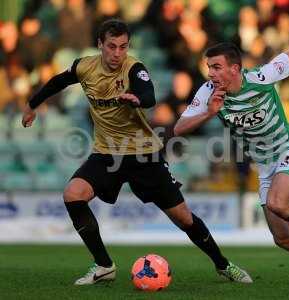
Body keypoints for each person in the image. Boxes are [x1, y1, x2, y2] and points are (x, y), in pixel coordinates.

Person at [21, 20, 252, 285]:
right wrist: (31, 105)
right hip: (107, 153)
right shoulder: (84, 66)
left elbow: (149, 94)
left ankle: (223, 265)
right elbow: (57, 82)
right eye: (111, 46)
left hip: (144, 155)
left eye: (123, 47)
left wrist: (137, 99)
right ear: (100, 45)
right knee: (73, 194)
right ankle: (104, 265)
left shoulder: (134, 68)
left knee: (183, 217)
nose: (117, 53)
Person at [174, 42, 289, 288]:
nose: (211, 73)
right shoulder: (208, 92)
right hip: (264, 166)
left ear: (235, 69)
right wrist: (209, 113)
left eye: (217, 67)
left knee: (277, 202)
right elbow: (179, 128)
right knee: (284, 238)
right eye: (209, 67)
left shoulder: (260, 77)